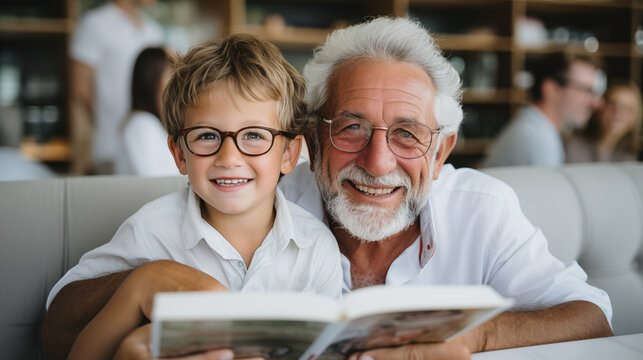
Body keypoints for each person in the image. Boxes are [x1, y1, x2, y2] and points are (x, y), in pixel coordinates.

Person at [42, 17, 613, 360]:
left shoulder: (482, 209)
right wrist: (145, 287)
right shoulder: (259, 194)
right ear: (311, 138)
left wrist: (472, 338)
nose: (377, 159)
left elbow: (593, 318)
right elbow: (62, 328)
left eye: (408, 135)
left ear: (441, 152)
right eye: (352, 127)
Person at [56, 34, 343, 360]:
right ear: (179, 154)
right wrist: (137, 289)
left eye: (253, 135)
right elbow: (67, 328)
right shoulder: (150, 231)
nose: (229, 157)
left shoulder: (316, 247)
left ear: (289, 154)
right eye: (207, 135)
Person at [71, 0, 163, 174]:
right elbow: (80, 87)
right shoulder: (95, 24)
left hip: (150, 144)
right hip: (110, 147)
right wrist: (107, 122)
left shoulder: (153, 30)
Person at [483, 51, 604, 167]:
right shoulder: (538, 140)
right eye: (586, 91)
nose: (597, 103)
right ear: (552, 90)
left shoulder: (536, 128)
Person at [114, 47, 180, 176]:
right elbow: (154, 183)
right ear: (151, 81)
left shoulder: (151, 125)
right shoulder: (141, 125)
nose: (178, 86)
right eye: (171, 75)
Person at [566, 82, 642, 162]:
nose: (618, 111)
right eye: (612, 103)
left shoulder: (630, 154)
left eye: (627, 108)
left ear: (635, 118)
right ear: (600, 107)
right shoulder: (571, 143)